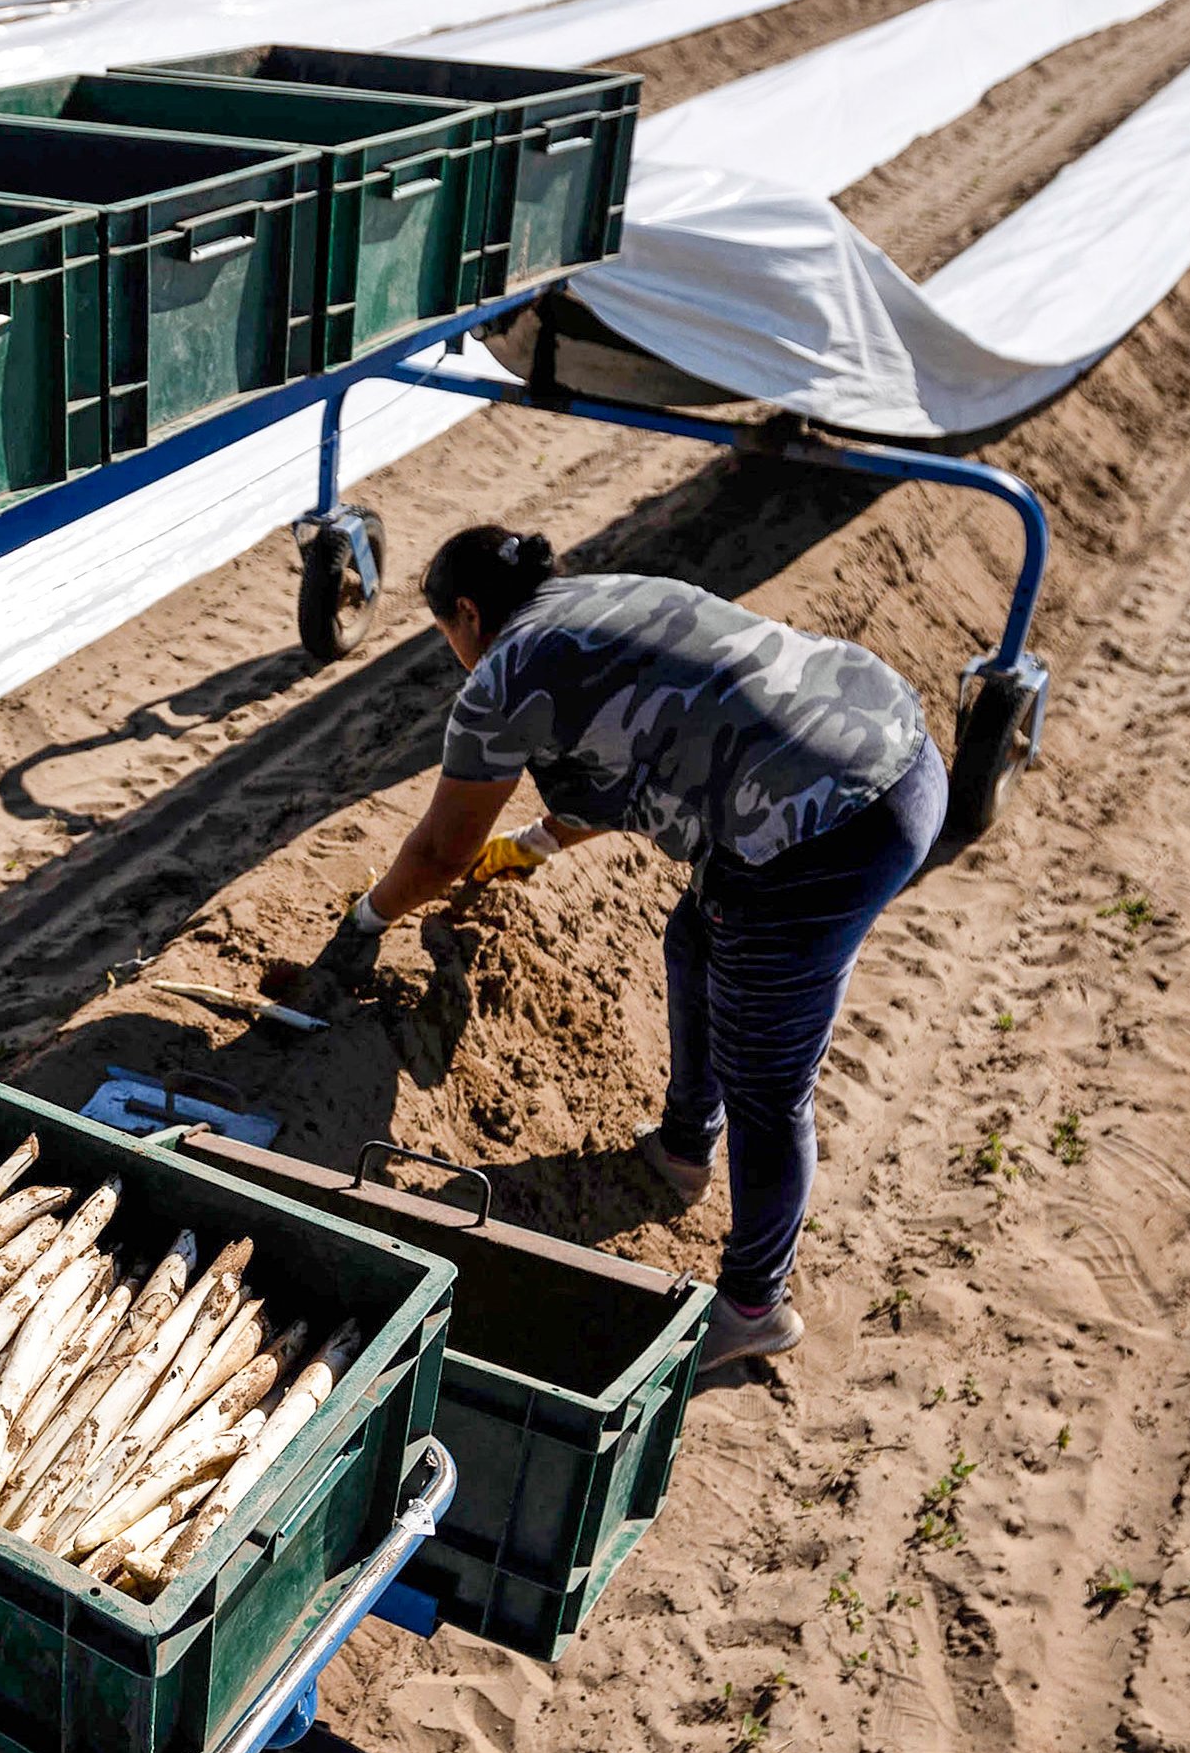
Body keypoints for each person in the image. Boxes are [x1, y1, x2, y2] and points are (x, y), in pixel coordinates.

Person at [283, 526, 942, 1369]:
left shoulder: (503, 673)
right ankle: (681, 1149)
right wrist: (534, 844)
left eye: (446, 633)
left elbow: (441, 851)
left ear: (469, 614)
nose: (454, 654)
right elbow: (636, 760)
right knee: (697, 936)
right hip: (895, 749)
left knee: (768, 1074)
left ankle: (753, 1304)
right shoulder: (605, 599)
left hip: (824, 827)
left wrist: (365, 923)